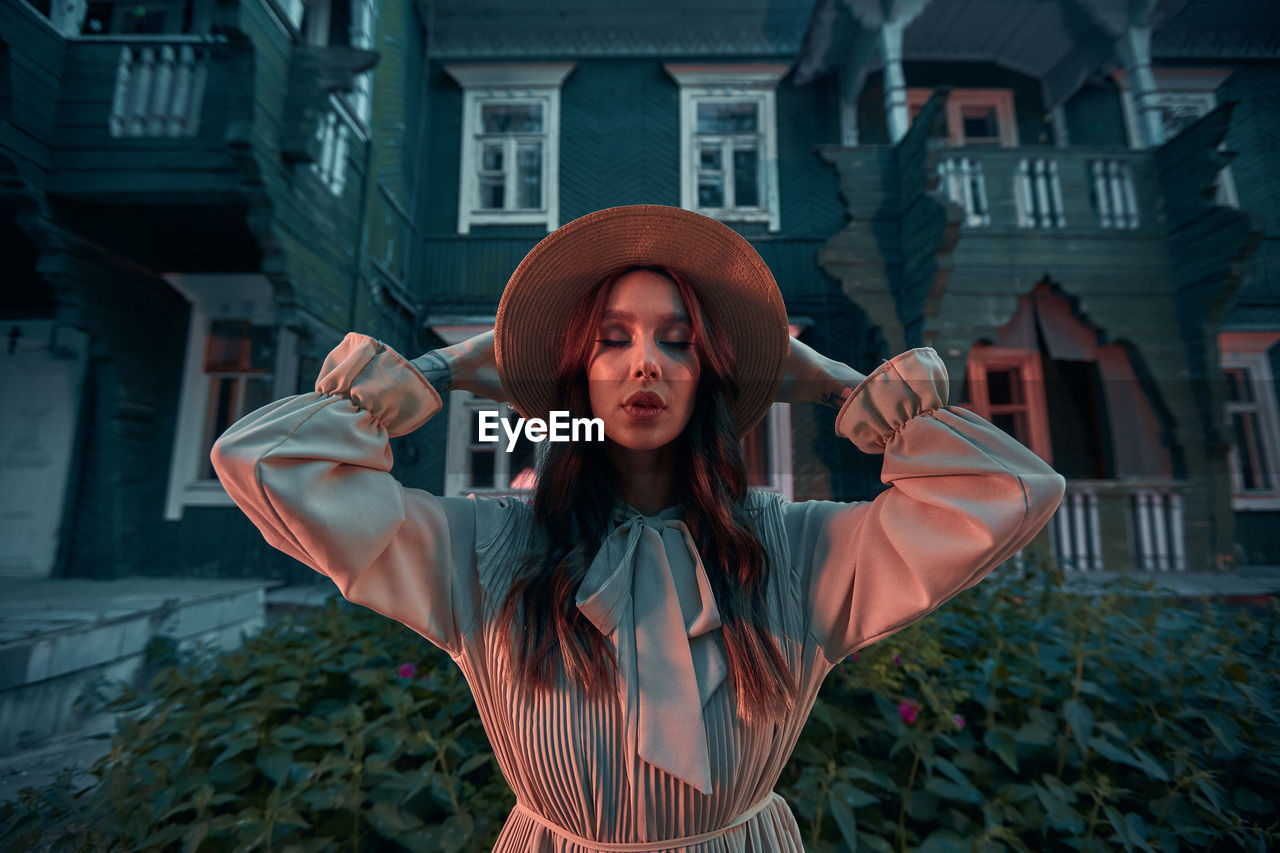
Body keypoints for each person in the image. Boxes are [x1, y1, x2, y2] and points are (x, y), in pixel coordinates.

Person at [212, 204, 1065, 851]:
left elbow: (1008, 490)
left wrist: (844, 387)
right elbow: (268, 465)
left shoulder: (795, 550)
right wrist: (441, 371)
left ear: (710, 375)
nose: (646, 363)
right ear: (576, 376)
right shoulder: (486, 548)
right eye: (611, 339)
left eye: (680, 341)